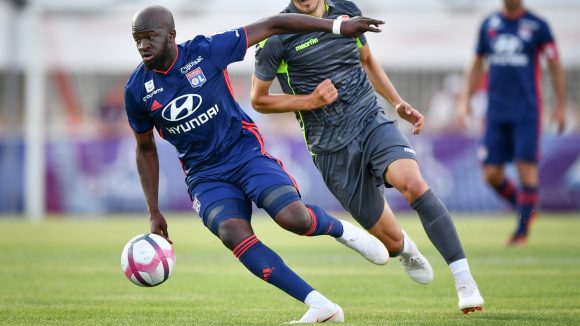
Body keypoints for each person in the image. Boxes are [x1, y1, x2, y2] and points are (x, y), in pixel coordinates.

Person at [124, 5, 391, 324]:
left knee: (294, 218)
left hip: (245, 153)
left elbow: (274, 23)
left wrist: (335, 27)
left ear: (171, 35)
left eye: (149, 37)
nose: (142, 46)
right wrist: (153, 211)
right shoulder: (137, 90)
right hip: (204, 175)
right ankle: (320, 305)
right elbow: (145, 149)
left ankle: (342, 230)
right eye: (137, 39)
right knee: (231, 231)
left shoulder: (206, 52)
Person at [251, 0, 484, 314]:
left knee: (413, 184)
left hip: (369, 119)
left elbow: (367, 59)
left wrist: (397, 102)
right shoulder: (277, 35)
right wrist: (309, 100)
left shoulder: (347, 10)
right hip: (331, 148)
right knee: (389, 243)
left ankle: (465, 283)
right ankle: (406, 250)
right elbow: (259, 100)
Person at [457, 0, 567, 246]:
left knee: (525, 167)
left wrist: (560, 105)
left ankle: (521, 232)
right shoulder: (489, 24)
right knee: (491, 174)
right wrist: (465, 100)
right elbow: (476, 64)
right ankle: (526, 207)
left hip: (526, 111)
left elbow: (555, 65)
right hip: (495, 112)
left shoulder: (538, 26)